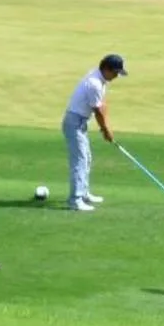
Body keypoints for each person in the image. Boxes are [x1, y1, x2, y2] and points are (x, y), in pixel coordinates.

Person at [62, 54, 125, 212]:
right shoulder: (94, 83)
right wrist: (105, 130)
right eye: (115, 72)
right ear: (106, 69)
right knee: (80, 161)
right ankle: (75, 200)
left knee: (87, 158)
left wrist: (107, 128)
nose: (117, 76)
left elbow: (102, 105)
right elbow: (98, 111)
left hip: (80, 122)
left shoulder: (100, 78)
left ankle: (83, 193)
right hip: (74, 123)